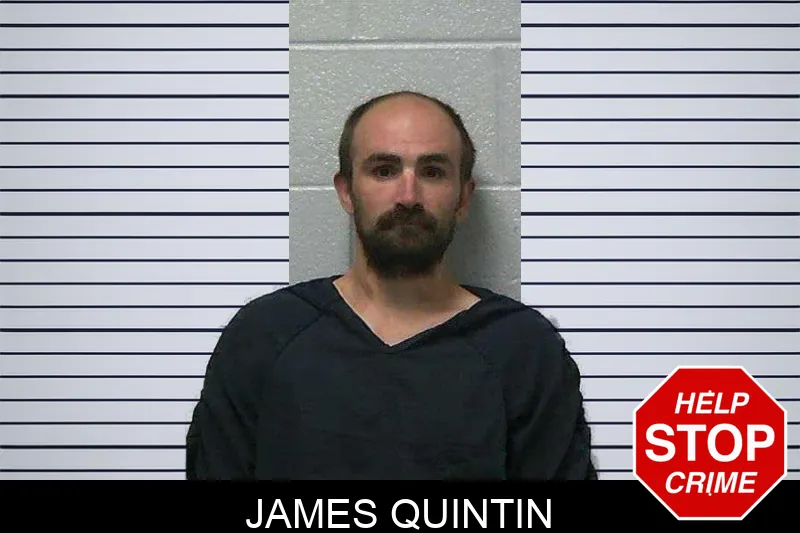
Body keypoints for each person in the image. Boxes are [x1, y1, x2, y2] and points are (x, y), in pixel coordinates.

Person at [185, 90, 597, 480]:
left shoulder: (523, 349)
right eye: (384, 170)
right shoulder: (264, 335)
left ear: (463, 198)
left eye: (432, 172)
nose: (408, 196)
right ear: (347, 192)